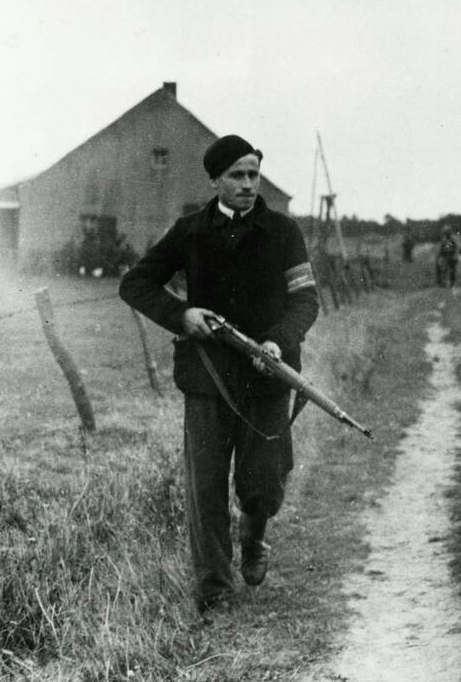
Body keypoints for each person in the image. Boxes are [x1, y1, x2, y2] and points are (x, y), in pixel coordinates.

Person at [119, 135, 320, 616]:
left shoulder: (283, 232)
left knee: (264, 485)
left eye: (253, 174)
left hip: (269, 376)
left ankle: (254, 540)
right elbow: (136, 283)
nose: (248, 185)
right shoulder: (189, 232)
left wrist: (277, 340)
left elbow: (306, 300)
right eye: (237, 175)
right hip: (206, 378)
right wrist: (180, 316)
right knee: (205, 486)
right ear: (215, 180)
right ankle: (215, 590)